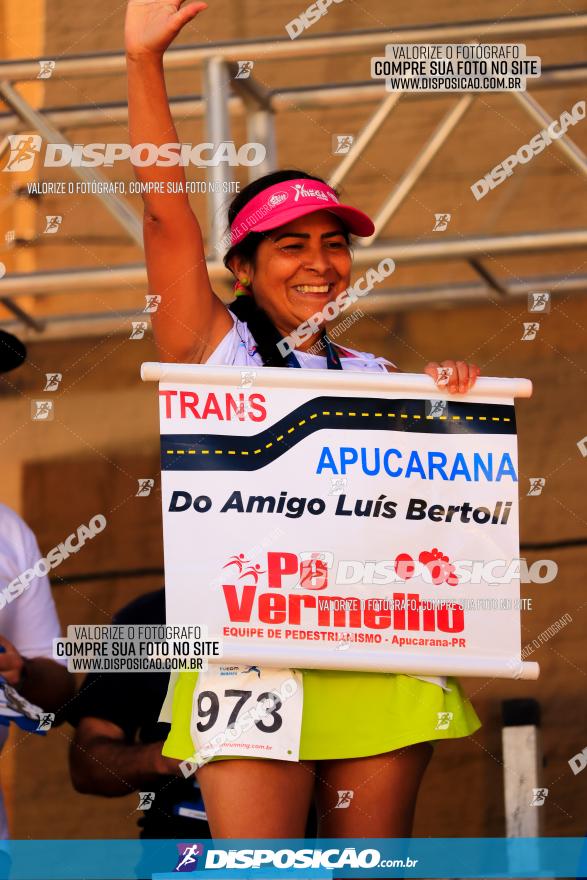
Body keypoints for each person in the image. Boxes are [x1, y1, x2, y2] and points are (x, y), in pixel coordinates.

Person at [124, 0, 483, 841]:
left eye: (333, 243)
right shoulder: (212, 349)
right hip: (248, 650)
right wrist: (143, 61)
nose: (320, 263)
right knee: (262, 867)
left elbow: (444, 531)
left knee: (368, 868)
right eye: (290, 246)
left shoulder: (379, 378)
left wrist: (456, 417)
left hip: (379, 653)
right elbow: (162, 214)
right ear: (241, 269)